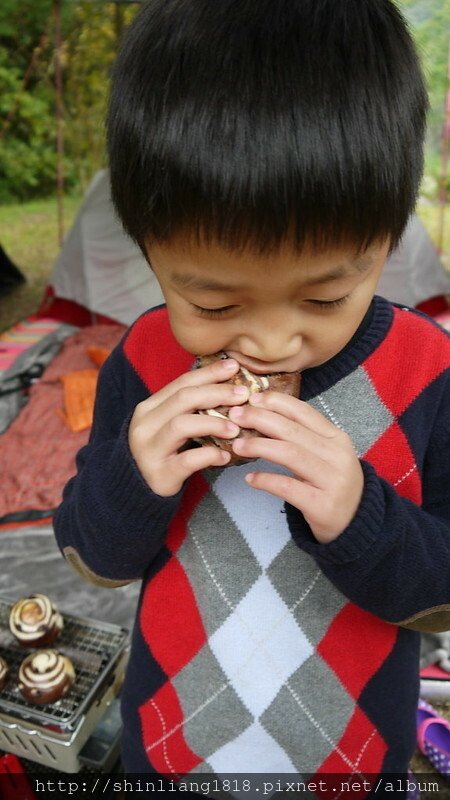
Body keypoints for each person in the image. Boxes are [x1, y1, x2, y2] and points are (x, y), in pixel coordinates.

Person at [54, 0, 450, 793]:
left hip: (349, 765)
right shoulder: (145, 358)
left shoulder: (428, 372)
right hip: (168, 751)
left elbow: (438, 604)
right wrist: (132, 479)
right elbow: (90, 558)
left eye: (326, 296)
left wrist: (361, 516)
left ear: (388, 237)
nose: (270, 344)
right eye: (216, 306)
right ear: (151, 253)